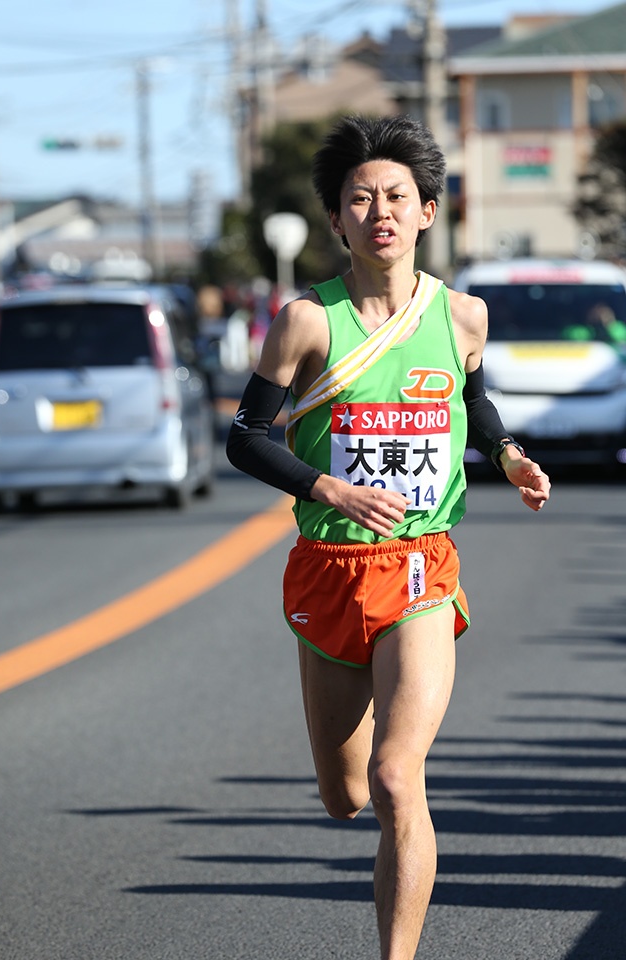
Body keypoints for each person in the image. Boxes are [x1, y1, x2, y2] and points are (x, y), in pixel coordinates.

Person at [227, 114, 551, 960]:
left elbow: (474, 404)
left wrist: (509, 455)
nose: (381, 212)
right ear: (335, 218)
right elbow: (244, 437)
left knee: (396, 776)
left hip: (420, 568)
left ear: (428, 211)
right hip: (329, 568)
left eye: (398, 197)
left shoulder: (465, 315)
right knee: (344, 797)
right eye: (360, 198)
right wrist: (324, 483)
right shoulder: (306, 323)